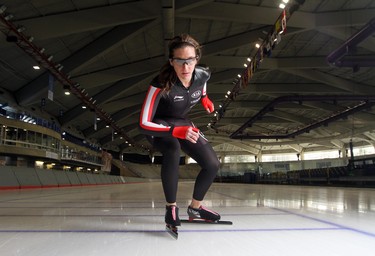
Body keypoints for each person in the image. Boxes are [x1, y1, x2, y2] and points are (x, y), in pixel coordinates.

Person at [139, 34, 221, 227]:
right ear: (171, 62)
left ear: (196, 60)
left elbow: (202, 87)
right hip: (158, 125)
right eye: (180, 61)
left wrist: (204, 98)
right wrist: (174, 132)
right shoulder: (159, 84)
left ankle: (195, 208)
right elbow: (143, 122)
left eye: (190, 61)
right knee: (172, 149)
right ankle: (171, 208)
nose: (186, 68)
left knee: (212, 164)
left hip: (182, 122)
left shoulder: (203, 74)